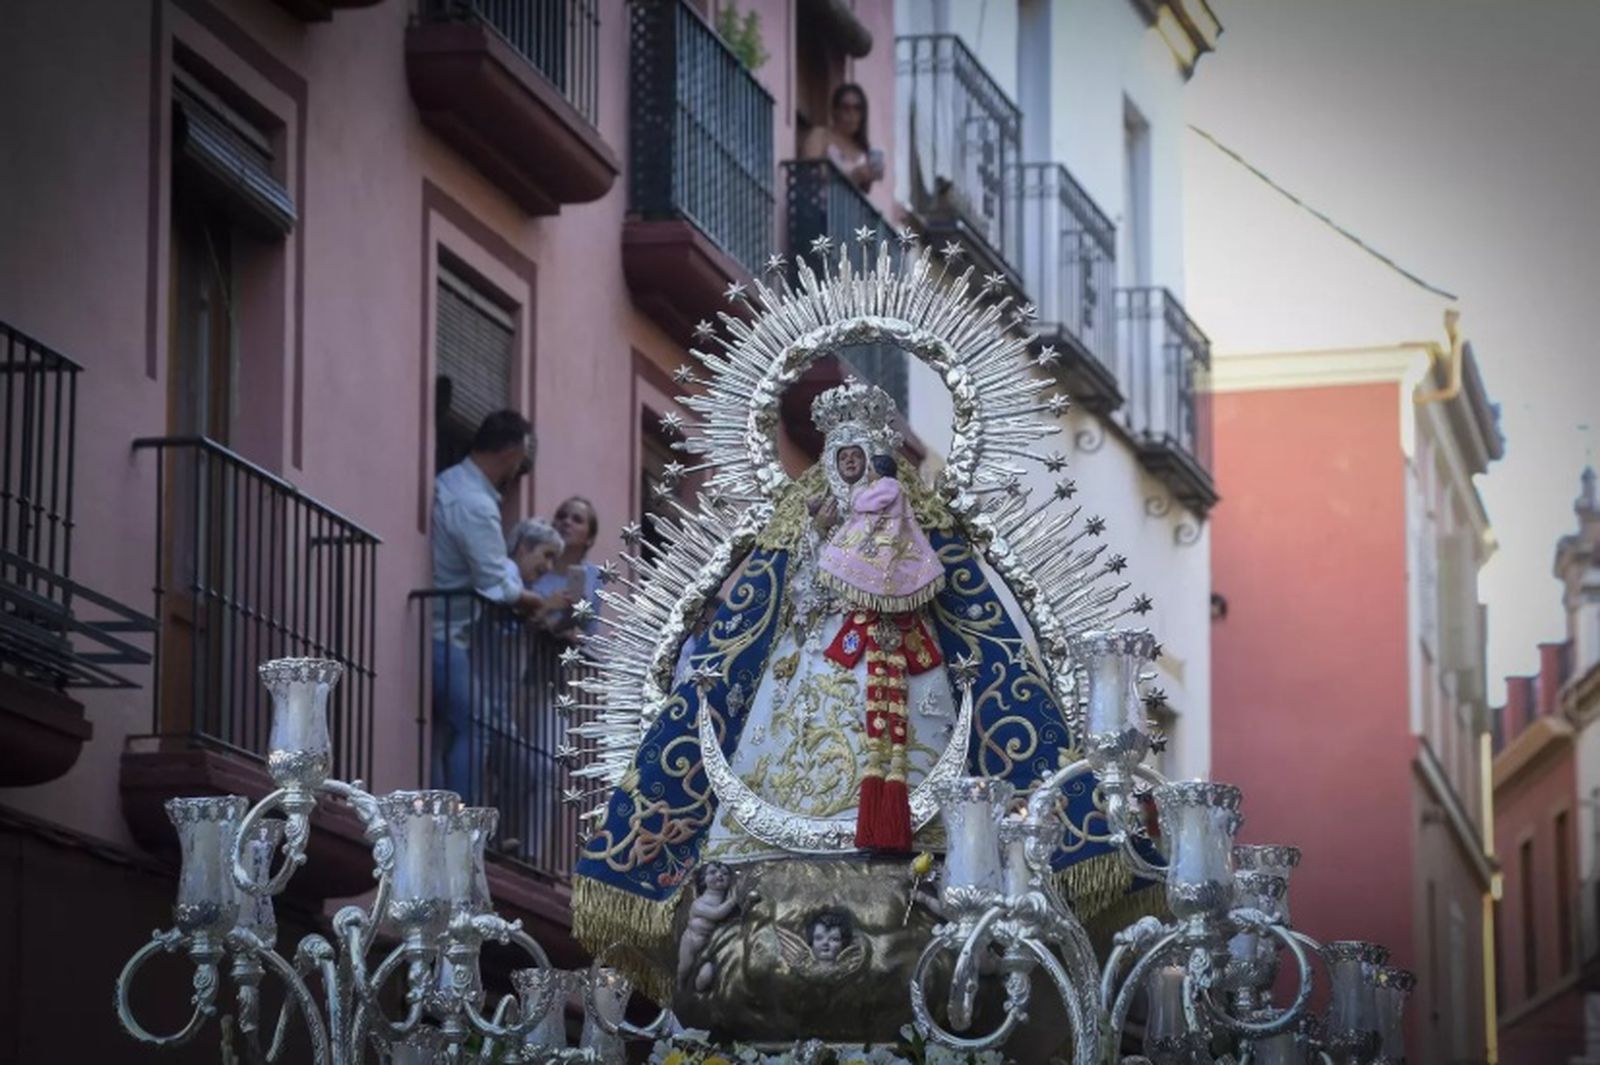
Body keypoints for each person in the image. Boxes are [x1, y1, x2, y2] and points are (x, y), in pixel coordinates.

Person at [430, 410, 538, 797]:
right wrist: (537, 602)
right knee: (474, 725)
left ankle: (440, 813)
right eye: (522, 455)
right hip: (445, 635)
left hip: (444, 631)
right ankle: (462, 820)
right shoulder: (474, 503)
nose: (521, 465)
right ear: (510, 451)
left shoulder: (453, 483)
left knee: (443, 729)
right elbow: (496, 585)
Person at [533, 495, 602, 642]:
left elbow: (590, 632)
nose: (566, 522)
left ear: (590, 538)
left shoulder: (594, 577)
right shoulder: (535, 563)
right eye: (561, 516)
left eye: (577, 520)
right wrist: (549, 606)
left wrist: (572, 621)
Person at [801, 83, 882, 192]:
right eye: (846, 108)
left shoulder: (862, 153)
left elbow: (863, 194)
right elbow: (809, 172)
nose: (852, 114)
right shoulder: (821, 136)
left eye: (857, 109)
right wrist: (852, 176)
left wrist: (870, 177)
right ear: (835, 111)